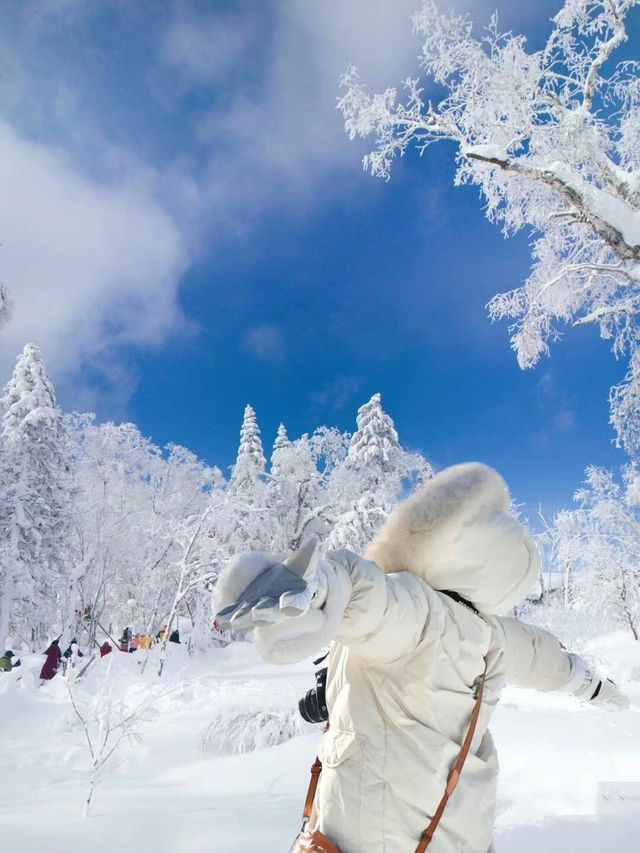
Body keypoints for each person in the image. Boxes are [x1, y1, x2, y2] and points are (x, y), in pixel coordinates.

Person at [215, 463, 630, 853]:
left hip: (377, 837)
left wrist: (315, 587)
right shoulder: (496, 636)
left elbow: (363, 595)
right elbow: (550, 661)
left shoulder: (417, 611)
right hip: (457, 832)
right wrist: (594, 685)